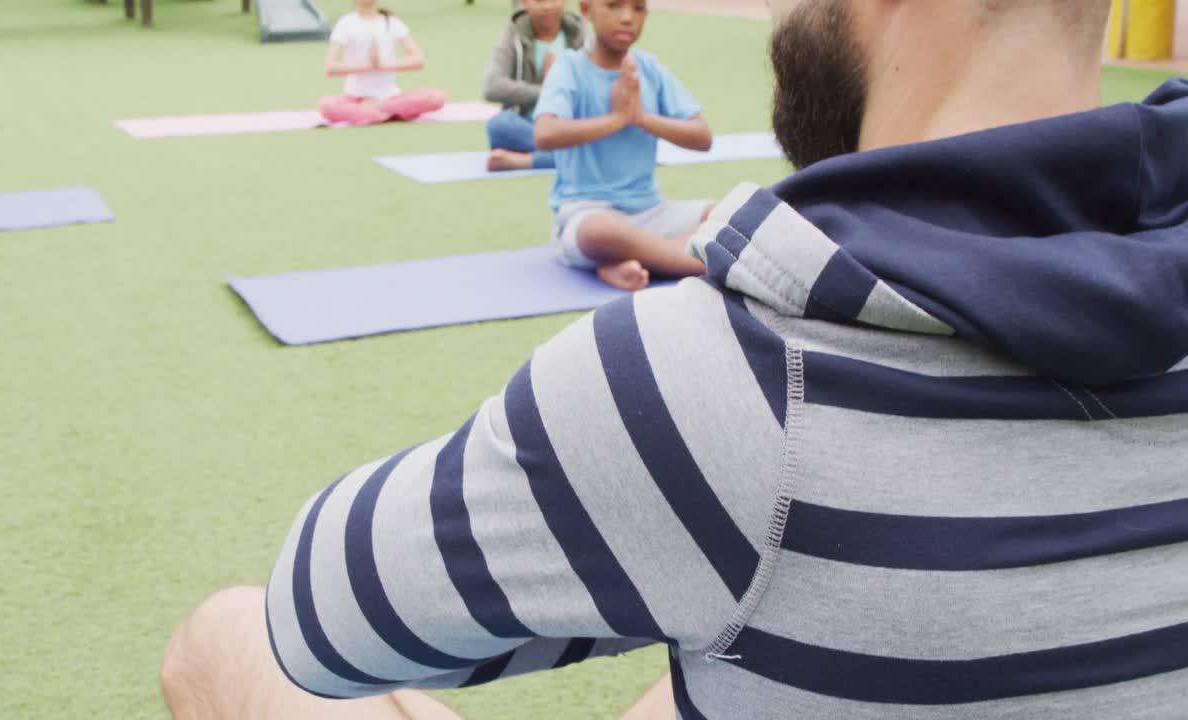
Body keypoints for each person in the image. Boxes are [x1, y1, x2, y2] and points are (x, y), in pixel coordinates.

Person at [163, 1, 1188, 718]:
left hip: (696, 427)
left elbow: (320, 619)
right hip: (645, 259)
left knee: (227, 631)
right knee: (727, 621)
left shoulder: (720, 382)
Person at [534, 0, 715, 292]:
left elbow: (702, 136)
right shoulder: (569, 67)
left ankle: (622, 262)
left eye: (639, 8)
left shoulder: (649, 69)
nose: (628, 18)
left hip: (653, 213)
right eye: (614, 5)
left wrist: (641, 118)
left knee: (729, 211)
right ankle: (691, 261)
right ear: (586, 9)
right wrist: (617, 119)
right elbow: (545, 133)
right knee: (603, 232)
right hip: (586, 215)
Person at [482, 0, 588, 172]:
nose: (547, 6)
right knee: (499, 126)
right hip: (528, 126)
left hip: (572, 125)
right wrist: (545, 90)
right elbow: (491, 86)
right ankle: (572, 154)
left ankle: (525, 161)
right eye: (539, 1)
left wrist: (559, 89)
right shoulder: (514, 32)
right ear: (524, 3)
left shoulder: (578, 32)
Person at [319, 0, 445, 126]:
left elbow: (418, 60)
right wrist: (367, 66)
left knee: (435, 98)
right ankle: (388, 114)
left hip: (390, 98)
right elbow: (331, 67)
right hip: (356, 99)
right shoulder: (346, 23)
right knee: (327, 106)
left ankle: (374, 112)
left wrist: (383, 65)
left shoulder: (392, 22)